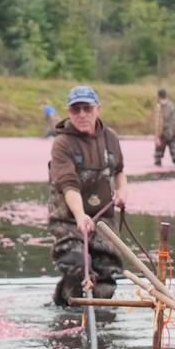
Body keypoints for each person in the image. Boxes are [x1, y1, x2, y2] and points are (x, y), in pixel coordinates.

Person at [47, 84, 126, 306]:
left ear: (97, 109)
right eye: (75, 110)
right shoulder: (62, 143)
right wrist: (81, 216)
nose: (82, 115)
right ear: (69, 112)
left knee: (106, 271)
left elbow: (120, 172)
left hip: (103, 219)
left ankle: (102, 316)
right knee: (77, 266)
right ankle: (66, 310)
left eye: (87, 109)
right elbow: (68, 185)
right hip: (69, 219)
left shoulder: (111, 138)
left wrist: (121, 193)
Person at [153, 86, 175, 167]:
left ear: (158, 96)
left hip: (163, 134)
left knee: (158, 156)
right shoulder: (173, 106)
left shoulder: (159, 107)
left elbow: (158, 123)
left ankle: (158, 176)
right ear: (166, 95)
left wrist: (157, 136)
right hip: (174, 133)